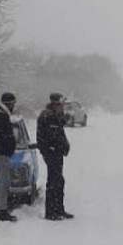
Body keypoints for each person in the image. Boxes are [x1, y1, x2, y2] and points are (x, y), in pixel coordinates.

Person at [37, 92, 73, 220]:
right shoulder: (49, 116)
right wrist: (57, 148)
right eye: (61, 105)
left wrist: (64, 120)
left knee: (59, 181)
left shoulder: (52, 115)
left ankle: (59, 209)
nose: (62, 107)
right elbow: (53, 136)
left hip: (55, 153)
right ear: (55, 104)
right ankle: (51, 212)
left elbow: (56, 128)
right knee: (53, 182)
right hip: (52, 154)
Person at [0, 92, 18, 222]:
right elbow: (3, 136)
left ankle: (3, 208)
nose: (14, 106)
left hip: (2, 153)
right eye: (13, 103)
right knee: (3, 182)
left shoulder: (1, 115)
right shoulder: (1, 117)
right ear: (9, 103)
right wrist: (9, 145)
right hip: (1, 154)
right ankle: (2, 210)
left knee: (4, 181)